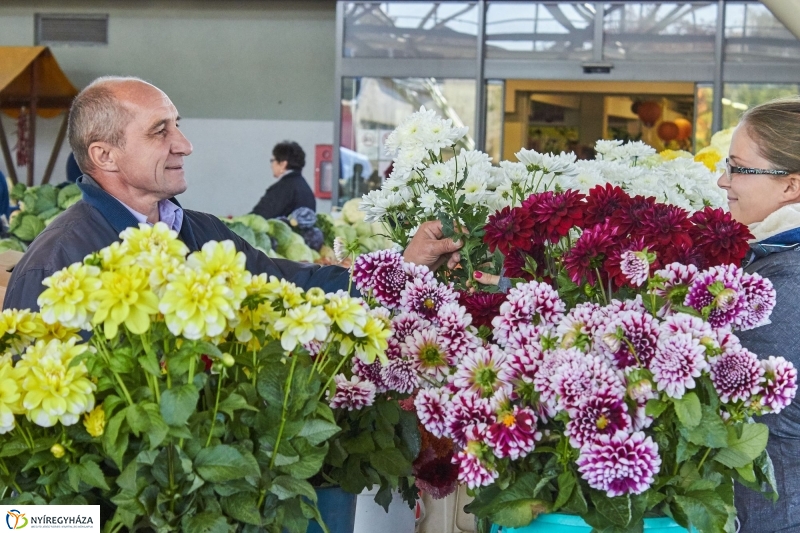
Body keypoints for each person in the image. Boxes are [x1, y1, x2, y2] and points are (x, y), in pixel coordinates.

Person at [3, 77, 462, 312]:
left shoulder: (202, 234)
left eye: (178, 126)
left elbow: (292, 286)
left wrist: (405, 268)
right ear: (105, 155)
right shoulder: (56, 263)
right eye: (160, 131)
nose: (185, 144)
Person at [716, 97, 800, 533]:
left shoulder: (787, 279)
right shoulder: (776, 257)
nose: (722, 181)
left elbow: (753, 415)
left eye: (737, 169)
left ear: (790, 186)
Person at [250, 141, 315, 219]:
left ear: (283, 164)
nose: (271, 166)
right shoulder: (305, 188)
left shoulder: (281, 189)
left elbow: (259, 217)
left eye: (272, 161)